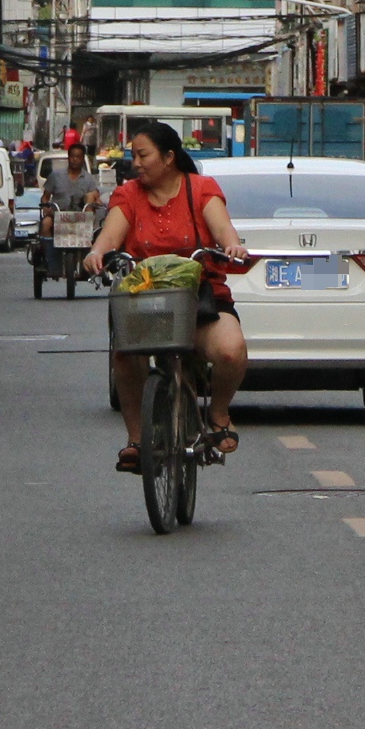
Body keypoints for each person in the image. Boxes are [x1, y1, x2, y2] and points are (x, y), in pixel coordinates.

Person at [81, 120, 254, 471]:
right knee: (126, 356)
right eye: (134, 156)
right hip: (144, 300)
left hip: (200, 297)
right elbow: (111, 233)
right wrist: (97, 253)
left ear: (169, 157)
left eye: (143, 155)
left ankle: (218, 413)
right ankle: (137, 440)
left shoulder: (201, 188)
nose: (136, 163)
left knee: (231, 350)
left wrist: (231, 244)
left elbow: (222, 227)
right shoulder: (128, 194)